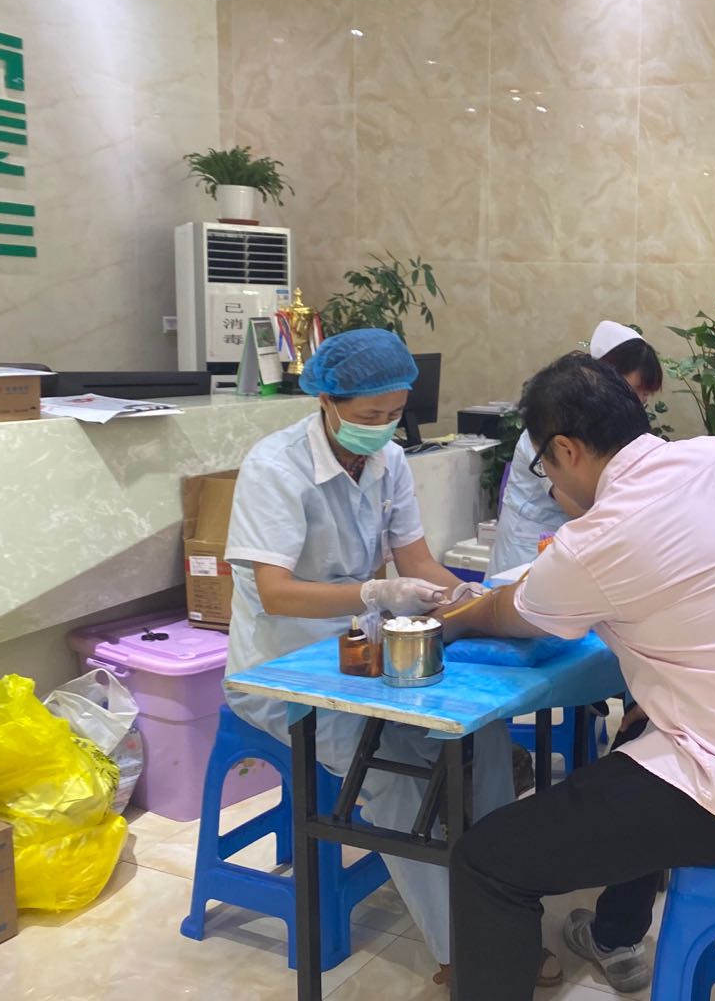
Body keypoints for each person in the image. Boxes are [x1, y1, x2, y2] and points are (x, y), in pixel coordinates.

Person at [442, 354, 715, 999]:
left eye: (545, 466)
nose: (549, 482)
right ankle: (615, 934)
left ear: (566, 450)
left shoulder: (598, 538)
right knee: (635, 733)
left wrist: (453, 620)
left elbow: (508, 612)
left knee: (485, 863)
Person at [221, 328, 516, 985]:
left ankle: (501, 899)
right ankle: (464, 951)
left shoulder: (388, 462)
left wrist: (467, 597)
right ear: (326, 402)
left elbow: (416, 560)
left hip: (362, 654)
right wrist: (373, 592)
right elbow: (274, 592)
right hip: (285, 669)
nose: (382, 428)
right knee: (389, 772)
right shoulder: (276, 469)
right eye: (369, 414)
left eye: (394, 414)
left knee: (482, 736)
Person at [488, 321, 662, 575]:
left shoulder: (616, 429)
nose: (639, 402)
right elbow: (577, 506)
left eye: (646, 395)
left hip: (573, 547)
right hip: (528, 547)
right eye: (635, 390)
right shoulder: (546, 432)